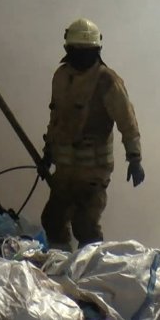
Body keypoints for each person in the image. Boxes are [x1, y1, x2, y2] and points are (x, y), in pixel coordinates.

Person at [39, 18, 145, 250]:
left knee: (85, 225)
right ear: (68, 50)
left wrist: (134, 158)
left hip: (92, 172)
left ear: (97, 51)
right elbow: (55, 118)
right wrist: (48, 154)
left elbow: (127, 122)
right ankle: (61, 269)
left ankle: (92, 273)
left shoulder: (107, 81)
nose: (82, 57)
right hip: (65, 169)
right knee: (53, 220)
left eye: (88, 51)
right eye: (78, 51)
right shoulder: (61, 77)